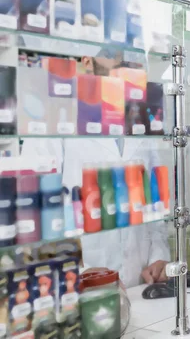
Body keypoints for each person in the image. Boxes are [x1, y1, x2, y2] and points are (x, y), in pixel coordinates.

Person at [21, 52, 171, 288]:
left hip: (140, 282)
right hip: (80, 284)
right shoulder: (55, 117)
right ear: (87, 62)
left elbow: (153, 200)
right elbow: (33, 212)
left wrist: (159, 256)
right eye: (117, 60)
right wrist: (77, 271)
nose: (128, 67)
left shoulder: (142, 120)